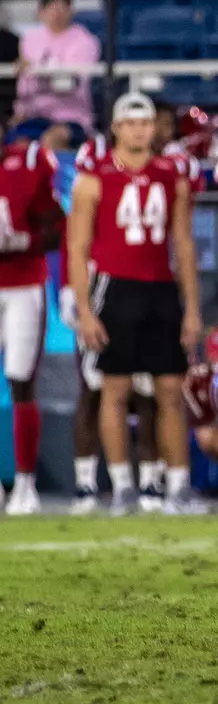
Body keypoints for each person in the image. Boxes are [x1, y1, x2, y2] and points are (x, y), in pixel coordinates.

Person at [66, 92, 203, 515]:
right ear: (117, 128)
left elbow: (182, 243)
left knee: (170, 389)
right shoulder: (94, 178)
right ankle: (122, 485)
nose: (140, 130)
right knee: (115, 388)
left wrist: (193, 307)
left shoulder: (171, 174)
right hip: (114, 286)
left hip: (160, 288)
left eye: (146, 122)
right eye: (132, 122)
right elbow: (77, 246)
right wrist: (85, 310)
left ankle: (177, 485)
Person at [0, 137, 62, 515]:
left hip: (23, 286)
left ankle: (25, 483)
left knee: (21, 381)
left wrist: (25, 240)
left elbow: (57, 229)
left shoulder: (29, 163)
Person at [16, 0, 98, 130]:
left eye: (62, 7)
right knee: (18, 142)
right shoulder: (30, 39)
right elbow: (24, 82)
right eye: (51, 6)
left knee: (53, 139)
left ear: (70, 10)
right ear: (41, 11)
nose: (56, 12)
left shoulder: (84, 40)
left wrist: (36, 71)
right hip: (34, 114)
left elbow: (69, 83)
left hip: (71, 116)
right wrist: (20, 111)